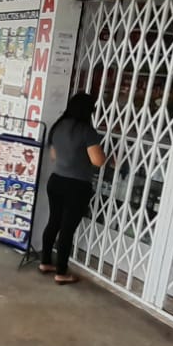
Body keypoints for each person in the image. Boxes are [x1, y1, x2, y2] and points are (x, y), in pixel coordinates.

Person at [39, 93, 106, 285]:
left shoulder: (58, 126)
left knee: (53, 222)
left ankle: (45, 262)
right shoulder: (87, 131)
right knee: (67, 229)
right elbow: (97, 161)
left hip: (56, 181)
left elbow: (54, 155)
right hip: (77, 186)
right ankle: (61, 272)